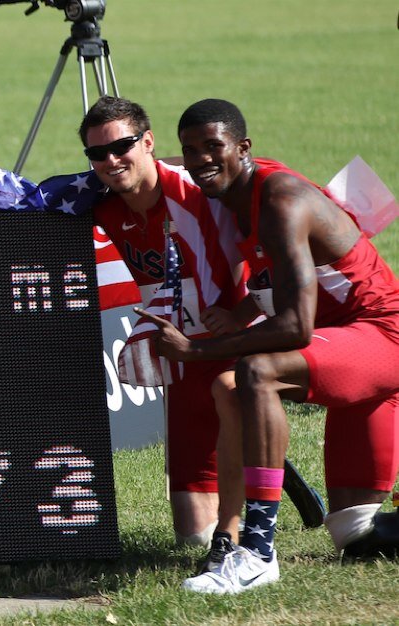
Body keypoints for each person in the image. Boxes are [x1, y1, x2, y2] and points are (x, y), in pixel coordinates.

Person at [0, 96, 248, 547]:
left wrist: (243, 314)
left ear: (148, 142)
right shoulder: (99, 199)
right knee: (193, 538)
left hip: (235, 341)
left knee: (239, 415)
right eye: (97, 153)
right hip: (181, 353)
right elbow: (30, 202)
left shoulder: (198, 191)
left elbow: (267, 216)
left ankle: (255, 537)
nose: (111, 160)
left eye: (121, 146)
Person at [140, 98, 399, 594]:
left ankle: (256, 550)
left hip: (381, 337)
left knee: (253, 374)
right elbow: (151, 167)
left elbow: (296, 328)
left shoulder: (279, 199)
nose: (198, 161)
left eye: (212, 147)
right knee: (354, 534)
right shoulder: (230, 190)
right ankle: (240, 539)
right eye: (189, 150)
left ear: (244, 147)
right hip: (349, 348)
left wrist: (194, 350)